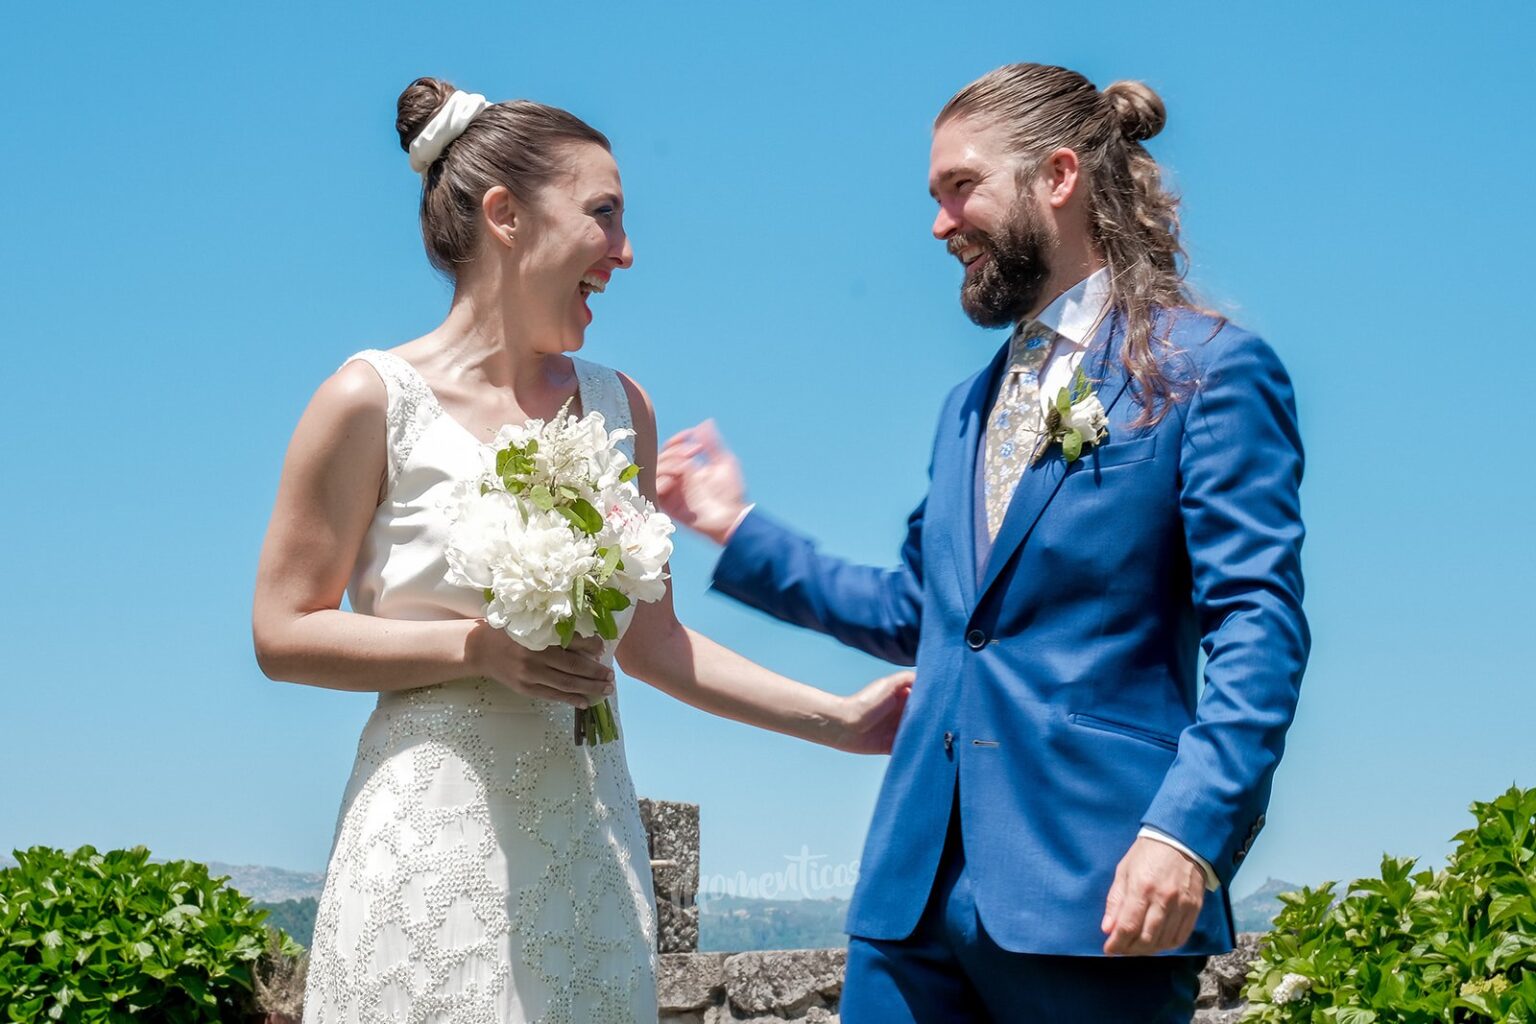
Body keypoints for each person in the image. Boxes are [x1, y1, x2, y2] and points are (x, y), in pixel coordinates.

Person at [657, 63, 1309, 1022]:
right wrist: (733, 528)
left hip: (1098, 889)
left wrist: (1188, 832)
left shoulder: (1208, 371)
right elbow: (924, 614)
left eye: (960, 187)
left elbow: (1258, 623)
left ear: (1057, 177)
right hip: (910, 903)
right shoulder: (967, 409)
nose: (938, 224)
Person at [251, 77, 911, 1024]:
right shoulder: (367, 400)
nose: (628, 253)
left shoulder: (620, 407)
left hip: (584, 841)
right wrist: (474, 649)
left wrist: (836, 722)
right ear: (505, 214)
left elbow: (652, 643)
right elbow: (282, 631)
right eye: (604, 215)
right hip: (429, 839)